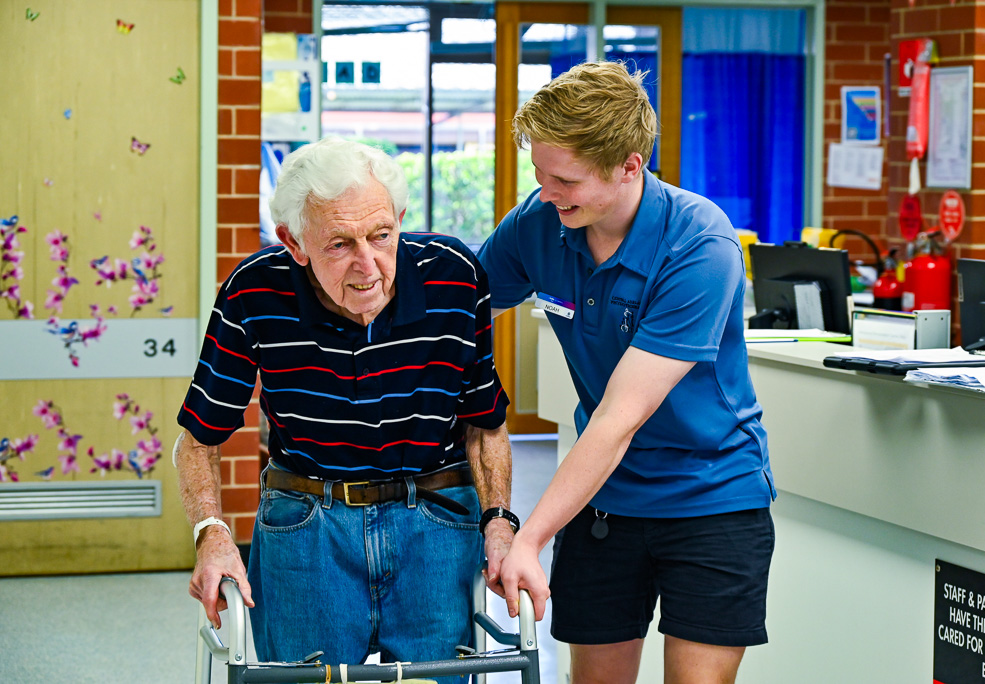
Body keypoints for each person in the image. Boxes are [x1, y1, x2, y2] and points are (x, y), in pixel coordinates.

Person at [175, 137, 527, 682]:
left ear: (401, 219)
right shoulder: (254, 293)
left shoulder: (455, 278)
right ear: (295, 242)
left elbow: (485, 426)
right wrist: (212, 531)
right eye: (339, 244)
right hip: (308, 520)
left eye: (382, 236)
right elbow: (199, 438)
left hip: (433, 520)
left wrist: (499, 523)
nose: (368, 265)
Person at [477, 61, 776, 684]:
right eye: (539, 172)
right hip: (604, 505)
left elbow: (619, 417)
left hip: (711, 501)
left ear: (630, 165)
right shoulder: (539, 222)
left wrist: (528, 537)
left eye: (565, 179)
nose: (546, 190)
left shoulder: (700, 243)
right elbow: (459, 308)